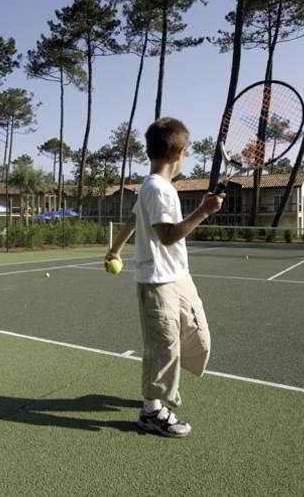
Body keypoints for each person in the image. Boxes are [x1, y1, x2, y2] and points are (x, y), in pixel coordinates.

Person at [105, 117, 223, 438]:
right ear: (181, 152)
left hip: (179, 277)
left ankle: (161, 388)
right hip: (157, 282)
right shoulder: (156, 188)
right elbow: (168, 235)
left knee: (198, 335)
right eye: (187, 152)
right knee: (163, 347)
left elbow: (133, 219)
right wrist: (203, 211)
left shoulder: (158, 188)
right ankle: (151, 410)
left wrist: (114, 250)